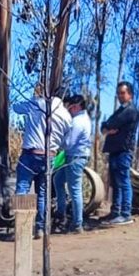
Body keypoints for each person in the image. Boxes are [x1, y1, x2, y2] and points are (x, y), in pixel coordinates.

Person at [13, 85, 71, 238]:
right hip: (50, 156)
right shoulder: (66, 116)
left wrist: (34, 98)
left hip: (31, 154)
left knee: (23, 188)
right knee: (43, 193)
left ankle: (21, 228)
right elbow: (65, 143)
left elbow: (16, 108)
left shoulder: (37, 104)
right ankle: (40, 227)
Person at [101, 81, 139, 226]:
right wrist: (107, 128)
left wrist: (109, 128)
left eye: (123, 93)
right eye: (118, 93)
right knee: (115, 184)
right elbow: (105, 124)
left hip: (124, 151)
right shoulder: (120, 110)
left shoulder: (130, 111)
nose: (120, 96)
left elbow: (111, 124)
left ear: (130, 94)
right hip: (115, 150)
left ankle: (125, 214)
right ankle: (115, 212)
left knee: (124, 182)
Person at [53, 94, 93, 234]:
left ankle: (77, 224)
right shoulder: (84, 119)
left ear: (75, 106)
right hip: (74, 156)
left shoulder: (77, 122)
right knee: (57, 180)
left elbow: (68, 143)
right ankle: (61, 212)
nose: (68, 110)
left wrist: (57, 143)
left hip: (75, 156)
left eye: (69, 107)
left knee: (74, 189)